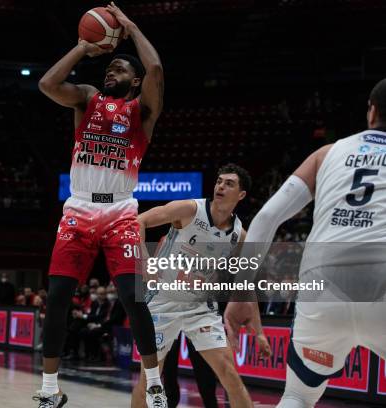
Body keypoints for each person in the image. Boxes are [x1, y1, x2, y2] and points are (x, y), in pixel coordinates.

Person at [35, 2, 165, 407]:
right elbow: (47, 85)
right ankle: (49, 389)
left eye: (120, 70)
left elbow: (157, 70)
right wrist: (81, 48)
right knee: (57, 296)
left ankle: (155, 382)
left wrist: (128, 26)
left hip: (122, 211)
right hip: (78, 209)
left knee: (132, 294)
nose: (112, 73)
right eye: (111, 68)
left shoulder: (141, 111)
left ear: (135, 81)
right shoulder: (87, 98)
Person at [238, 78, 386, 407]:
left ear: (371, 111)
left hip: (324, 285)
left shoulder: (326, 154)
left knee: (298, 396)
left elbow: (265, 219)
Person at [131, 164, 271, 408]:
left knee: (231, 377)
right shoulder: (189, 209)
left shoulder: (241, 237)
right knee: (150, 382)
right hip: (163, 302)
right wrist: (143, 259)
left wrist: (258, 332)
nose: (221, 186)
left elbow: (245, 288)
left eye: (229, 183)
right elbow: (139, 221)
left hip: (200, 308)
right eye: (219, 181)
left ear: (241, 195)